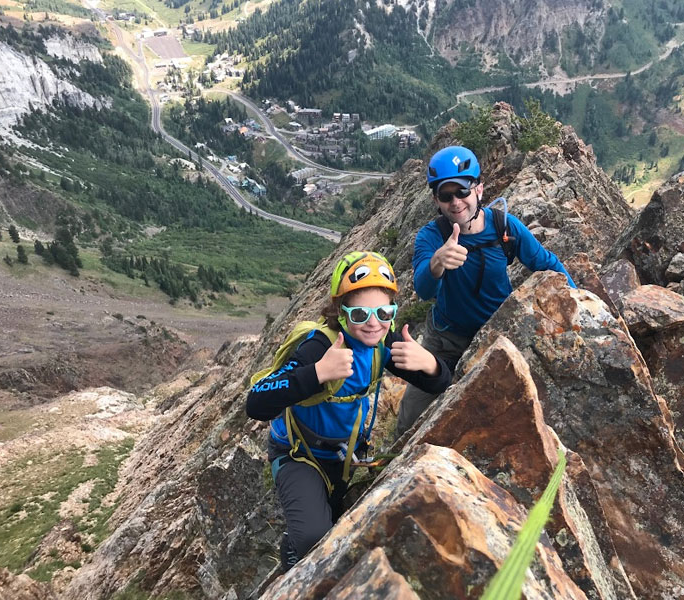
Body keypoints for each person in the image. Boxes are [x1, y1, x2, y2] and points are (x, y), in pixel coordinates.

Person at [246, 251, 451, 571]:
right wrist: (317, 373)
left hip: (345, 456)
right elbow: (256, 402)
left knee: (344, 524)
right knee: (313, 536)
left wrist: (431, 364)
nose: (373, 323)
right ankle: (291, 551)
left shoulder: (384, 343)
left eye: (384, 312)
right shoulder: (318, 347)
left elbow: (440, 384)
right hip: (299, 455)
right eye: (360, 314)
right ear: (341, 312)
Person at [395, 145, 577, 436]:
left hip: (496, 336)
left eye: (463, 191)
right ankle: (394, 459)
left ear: (479, 190)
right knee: (413, 412)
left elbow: (545, 264)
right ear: (436, 200)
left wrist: (578, 300)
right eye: (446, 195)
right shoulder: (431, 236)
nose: (456, 202)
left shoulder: (504, 226)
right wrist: (437, 263)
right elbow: (423, 289)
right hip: (445, 339)